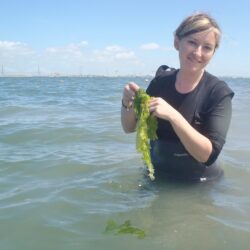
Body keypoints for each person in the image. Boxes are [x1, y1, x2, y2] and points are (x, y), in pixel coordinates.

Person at [121, 12, 234, 182]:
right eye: (192, 42)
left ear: (213, 52)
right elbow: (129, 128)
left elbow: (208, 155)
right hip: (156, 178)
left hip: (199, 185)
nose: (198, 52)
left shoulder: (218, 93)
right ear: (177, 42)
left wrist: (173, 116)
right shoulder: (160, 83)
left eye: (207, 47)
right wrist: (127, 102)